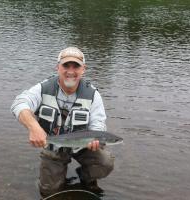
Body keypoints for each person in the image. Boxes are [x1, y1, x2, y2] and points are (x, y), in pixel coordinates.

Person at [11, 47, 114, 197]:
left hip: (83, 145)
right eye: (66, 65)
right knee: (48, 192)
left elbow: (98, 124)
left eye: (76, 66)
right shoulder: (43, 88)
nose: (70, 71)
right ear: (57, 67)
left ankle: (86, 175)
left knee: (105, 161)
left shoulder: (93, 94)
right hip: (54, 145)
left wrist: (95, 141)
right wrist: (34, 127)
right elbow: (18, 103)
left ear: (83, 69)